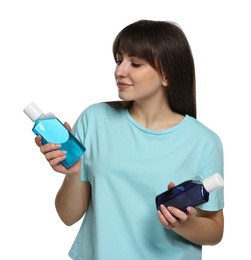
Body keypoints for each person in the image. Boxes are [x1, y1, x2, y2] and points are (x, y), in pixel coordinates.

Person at [35, 19, 224, 260]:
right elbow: (67, 216)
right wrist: (73, 174)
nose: (119, 71)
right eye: (118, 60)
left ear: (166, 75)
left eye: (135, 63)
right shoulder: (95, 120)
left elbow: (215, 229)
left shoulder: (203, 141)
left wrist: (183, 224)